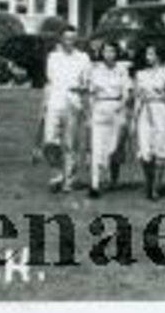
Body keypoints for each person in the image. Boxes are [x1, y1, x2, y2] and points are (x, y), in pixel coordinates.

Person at [40, 31, 90, 191]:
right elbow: (50, 81)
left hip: (74, 101)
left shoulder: (83, 58)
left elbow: (87, 82)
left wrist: (81, 89)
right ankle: (57, 174)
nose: (70, 41)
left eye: (73, 38)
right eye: (67, 38)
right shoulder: (53, 57)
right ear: (61, 39)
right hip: (55, 101)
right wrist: (45, 103)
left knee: (70, 143)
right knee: (50, 141)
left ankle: (70, 179)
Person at [83, 39, 134, 196]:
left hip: (117, 109)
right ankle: (95, 184)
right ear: (101, 53)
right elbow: (91, 94)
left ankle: (113, 180)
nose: (109, 54)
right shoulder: (95, 70)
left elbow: (128, 92)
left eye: (112, 51)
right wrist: (89, 114)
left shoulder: (122, 70)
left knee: (115, 148)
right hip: (100, 109)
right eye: (106, 51)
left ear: (116, 53)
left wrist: (123, 104)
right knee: (97, 147)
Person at [131, 44, 165, 201]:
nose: (148, 57)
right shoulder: (140, 75)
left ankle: (155, 188)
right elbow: (137, 99)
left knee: (160, 148)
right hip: (145, 112)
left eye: (151, 54)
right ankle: (149, 180)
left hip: (161, 112)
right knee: (145, 149)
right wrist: (134, 119)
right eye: (147, 54)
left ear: (159, 56)